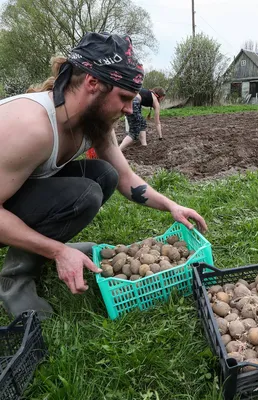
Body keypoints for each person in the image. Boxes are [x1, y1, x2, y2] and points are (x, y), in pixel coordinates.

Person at [0, 32, 207, 320]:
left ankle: (46, 248)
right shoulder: (31, 127)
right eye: (123, 97)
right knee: (85, 194)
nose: (128, 108)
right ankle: (15, 279)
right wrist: (58, 251)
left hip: (11, 193)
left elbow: (125, 178)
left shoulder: (93, 120)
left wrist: (172, 205)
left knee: (104, 175)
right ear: (92, 83)